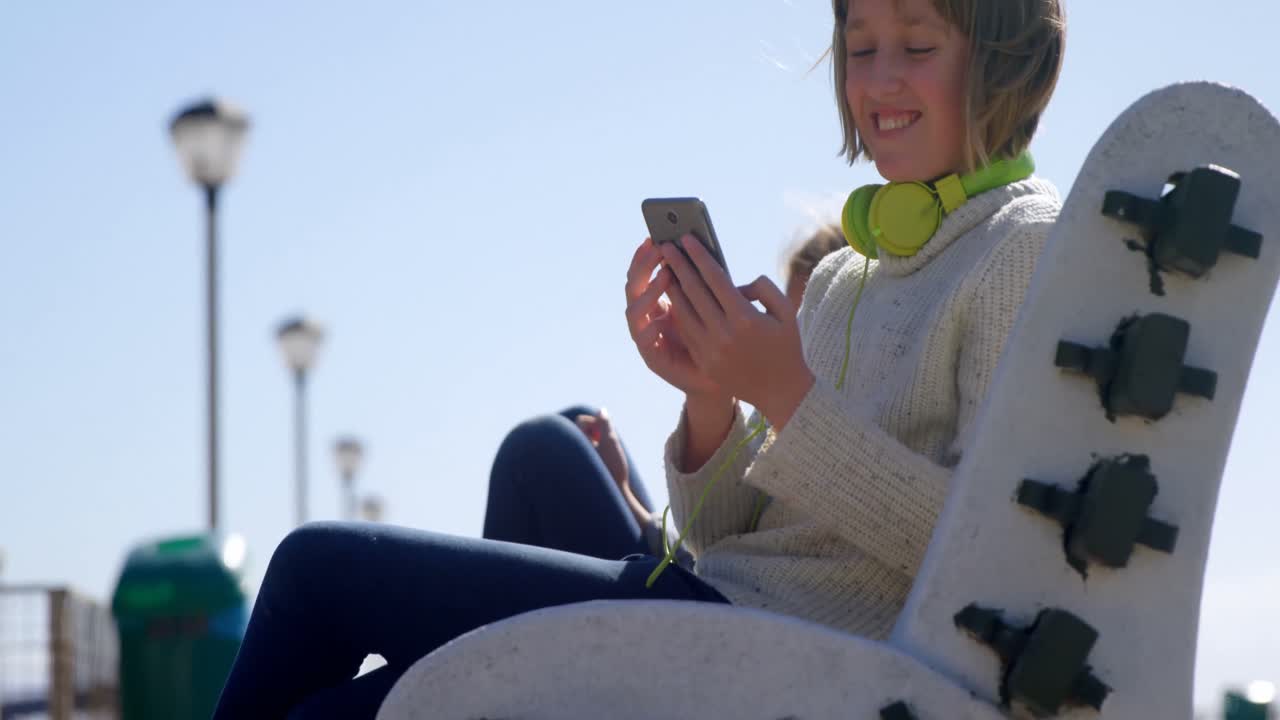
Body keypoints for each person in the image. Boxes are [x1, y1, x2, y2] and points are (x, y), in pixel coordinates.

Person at [211, 1, 1067, 716]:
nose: (878, 79)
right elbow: (730, 540)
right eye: (859, 45)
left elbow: (990, 561)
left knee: (318, 570)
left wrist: (790, 399)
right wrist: (711, 403)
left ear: (1005, 63)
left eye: (917, 46)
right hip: (715, 610)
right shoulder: (850, 269)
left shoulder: (1021, 247)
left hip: (784, 656)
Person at [481, 225, 847, 565]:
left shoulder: (838, 429)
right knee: (573, 423)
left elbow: (729, 566)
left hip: (726, 612)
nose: (792, 338)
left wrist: (629, 503)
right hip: (706, 583)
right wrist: (628, 496)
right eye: (789, 318)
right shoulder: (773, 420)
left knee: (539, 447)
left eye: (811, 324)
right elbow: (717, 546)